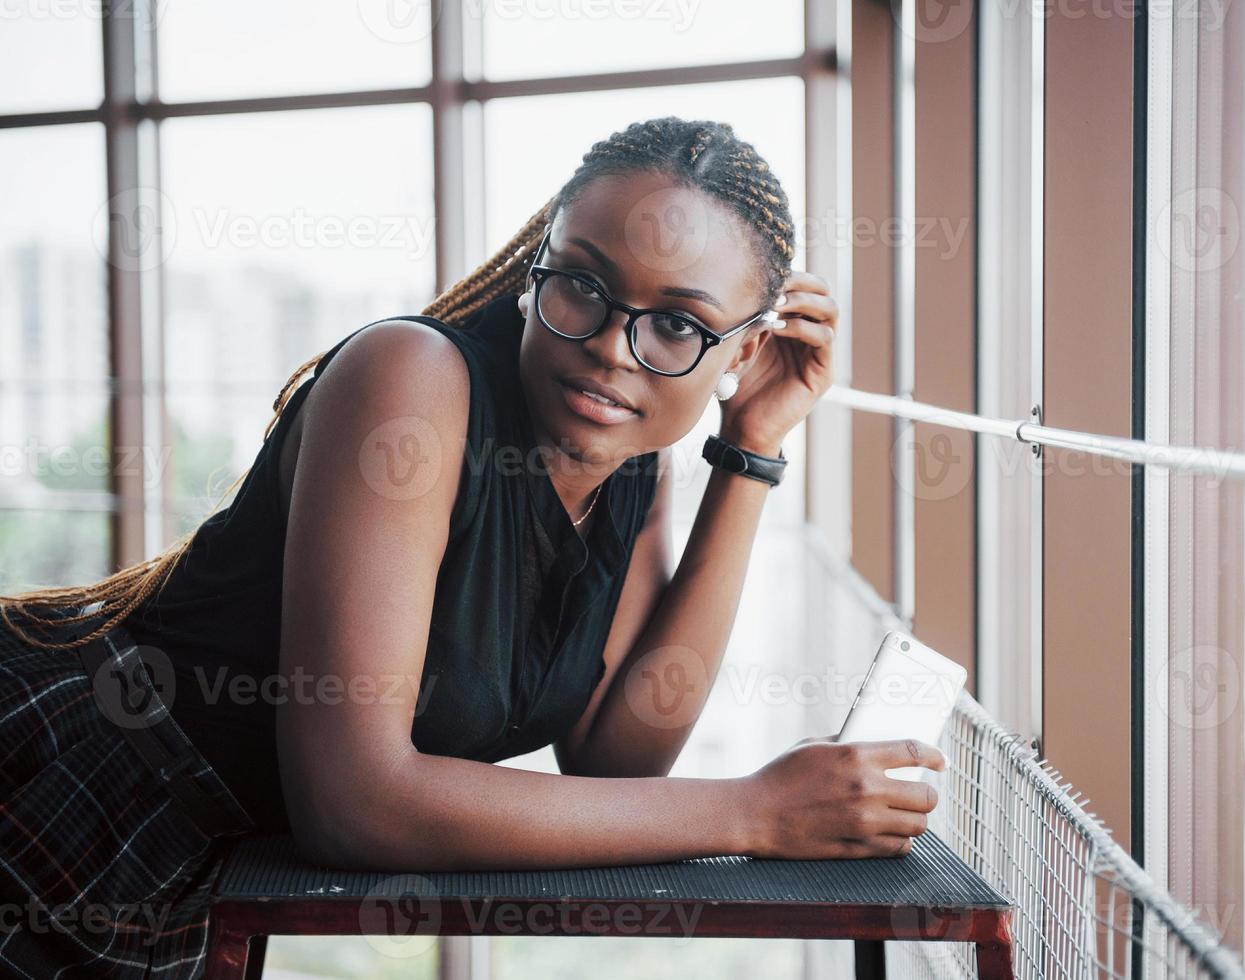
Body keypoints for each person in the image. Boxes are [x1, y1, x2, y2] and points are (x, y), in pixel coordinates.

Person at [0, 116, 943, 978]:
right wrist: (757, 811)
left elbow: (616, 765)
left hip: (188, 870)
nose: (614, 347)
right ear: (538, 269)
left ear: (740, 352)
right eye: (583, 284)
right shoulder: (409, 381)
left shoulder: (629, 463)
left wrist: (750, 453)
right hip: (62, 798)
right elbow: (355, 802)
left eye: (679, 325)